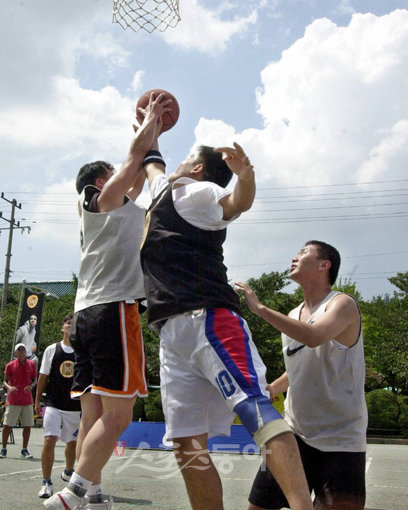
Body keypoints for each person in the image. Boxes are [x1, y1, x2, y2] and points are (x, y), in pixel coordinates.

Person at [140, 136, 313, 510]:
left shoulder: (199, 192)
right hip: (171, 334)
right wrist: (150, 123)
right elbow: (151, 163)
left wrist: (245, 177)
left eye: (186, 157)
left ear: (197, 168)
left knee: (254, 407)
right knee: (186, 442)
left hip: (209, 319)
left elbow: (237, 203)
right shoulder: (163, 191)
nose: (177, 162)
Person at [44, 93, 171, 510]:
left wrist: (151, 134)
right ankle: (73, 492)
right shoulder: (97, 200)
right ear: (100, 182)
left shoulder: (114, 209)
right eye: (113, 174)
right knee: (119, 416)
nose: (122, 176)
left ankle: (93, 493)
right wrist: (150, 119)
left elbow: (138, 174)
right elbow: (133, 164)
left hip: (87, 313)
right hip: (112, 309)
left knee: (95, 415)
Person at [235, 240, 368, 509]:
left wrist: (259, 309)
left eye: (304, 252)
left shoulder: (341, 304)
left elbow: (314, 336)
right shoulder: (293, 314)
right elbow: (299, 365)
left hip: (341, 439)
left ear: (324, 265)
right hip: (294, 435)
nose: (295, 258)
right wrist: (273, 387)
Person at [35, 313, 81, 499]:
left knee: (72, 443)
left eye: (73, 323)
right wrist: (37, 400)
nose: (70, 325)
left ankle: (69, 471)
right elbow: (43, 376)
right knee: (49, 440)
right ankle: (46, 482)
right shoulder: (52, 349)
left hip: (75, 405)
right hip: (53, 402)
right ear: (62, 327)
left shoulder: (82, 351)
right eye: (67, 323)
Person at [1, 343, 37, 459]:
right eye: (19, 350)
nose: (21, 352)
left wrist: (31, 386)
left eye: (23, 350)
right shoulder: (10, 365)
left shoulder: (31, 364)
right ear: (15, 353)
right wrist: (9, 387)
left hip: (27, 400)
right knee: (7, 425)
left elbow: (35, 380)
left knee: (28, 425)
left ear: (26, 352)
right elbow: (4, 381)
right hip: (13, 400)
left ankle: (24, 449)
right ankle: (3, 449)